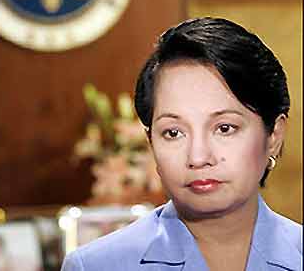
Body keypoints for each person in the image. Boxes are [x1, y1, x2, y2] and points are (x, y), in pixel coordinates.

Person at [61, 17, 302, 271]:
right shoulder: (96, 266)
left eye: (224, 128)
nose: (198, 157)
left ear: (273, 135)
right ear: (151, 142)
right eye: (173, 133)